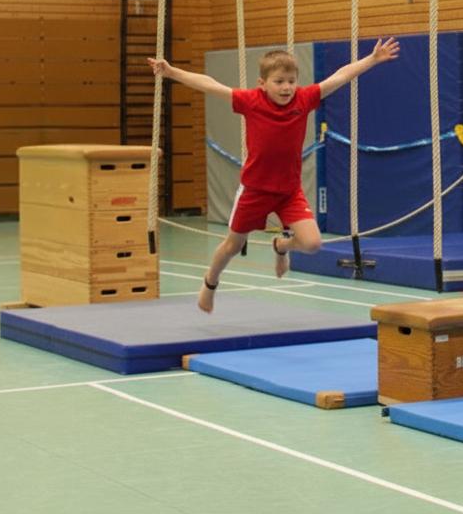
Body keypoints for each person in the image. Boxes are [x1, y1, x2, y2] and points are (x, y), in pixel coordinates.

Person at [148, 39, 400, 312]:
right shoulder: (251, 101)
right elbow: (211, 85)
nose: (286, 87)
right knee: (232, 246)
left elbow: (339, 77)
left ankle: (281, 245)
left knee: (312, 243)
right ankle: (210, 283)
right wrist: (172, 72)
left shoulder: (303, 99)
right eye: (279, 82)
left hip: (289, 191)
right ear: (262, 83)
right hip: (255, 190)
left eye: (291, 81)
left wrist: (372, 59)